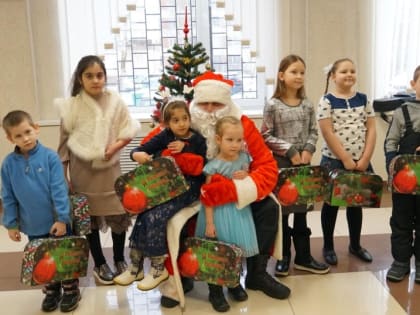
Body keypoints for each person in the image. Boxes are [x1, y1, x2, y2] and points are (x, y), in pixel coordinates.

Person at [160, 70, 291, 308]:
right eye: (204, 103)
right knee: (169, 214)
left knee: (269, 207)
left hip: (233, 187)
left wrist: (238, 186)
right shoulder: (183, 122)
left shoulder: (241, 125)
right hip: (192, 190)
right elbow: (157, 149)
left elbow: (267, 165)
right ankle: (181, 274)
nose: (210, 109)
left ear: (227, 103)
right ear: (195, 104)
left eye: (217, 103)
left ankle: (256, 273)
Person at [56, 55, 140, 285]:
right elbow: (63, 149)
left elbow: (128, 129)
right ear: (80, 79)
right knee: (89, 220)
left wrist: (115, 147)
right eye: (89, 75)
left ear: (105, 77)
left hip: (111, 172)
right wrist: (64, 178)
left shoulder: (115, 101)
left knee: (118, 216)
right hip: (83, 175)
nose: (95, 80)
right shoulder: (71, 107)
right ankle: (100, 262)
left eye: (99, 75)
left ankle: (119, 259)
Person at [114, 99, 206, 291]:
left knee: (158, 214)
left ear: (190, 119)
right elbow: (139, 149)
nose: (181, 124)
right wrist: (136, 155)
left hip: (189, 188)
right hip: (166, 185)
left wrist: (186, 148)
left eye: (184, 119)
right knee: (144, 212)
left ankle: (158, 267)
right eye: (175, 120)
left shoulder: (197, 139)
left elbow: (206, 160)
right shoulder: (166, 136)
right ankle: (135, 265)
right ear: (167, 124)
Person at [1, 110, 80, 312]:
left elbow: (59, 190)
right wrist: (11, 224)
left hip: (57, 222)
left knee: (63, 256)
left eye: (27, 131)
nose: (25, 138)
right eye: (18, 135)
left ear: (36, 128)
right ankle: (52, 290)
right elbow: (8, 196)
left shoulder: (50, 157)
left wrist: (62, 218)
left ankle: (71, 290)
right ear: (10, 138)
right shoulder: (8, 164)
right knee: (43, 259)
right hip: (32, 224)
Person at [261, 54, 330, 277]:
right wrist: (290, 151)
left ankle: (303, 257)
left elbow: (313, 131)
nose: (299, 76)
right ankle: (283, 258)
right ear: (281, 76)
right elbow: (266, 135)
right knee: (282, 213)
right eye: (294, 72)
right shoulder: (272, 105)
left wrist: (308, 150)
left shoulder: (308, 105)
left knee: (302, 213)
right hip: (281, 166)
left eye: (302, 72)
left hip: (304, 165)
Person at [195, 116, 259, 312]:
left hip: (238, 212)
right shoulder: (213, 166)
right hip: (218, 215)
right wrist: (210, 223)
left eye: (239, 140)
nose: (235, 144)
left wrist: (247, 175)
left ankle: (234, 283)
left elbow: (249, 182)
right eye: (230, 140)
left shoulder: (243, 159)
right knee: (218, 253)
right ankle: (215, 290)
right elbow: (207, 196)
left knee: (236, 250)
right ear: (218, 139)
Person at [317, 58, 376, 265]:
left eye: (352, 70)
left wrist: (365, 158)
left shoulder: (363, 99)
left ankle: (355, 245)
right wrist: (345, 158)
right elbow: (327, 132)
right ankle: (328, 246)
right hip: (335, 161)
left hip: (360, 162)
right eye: (343, 71)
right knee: (331, 205)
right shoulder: (326, 100)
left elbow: (371, 129)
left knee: (355, 204)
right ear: (333, 76)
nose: (349, 74)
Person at [384, 65, 420, 282]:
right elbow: (391, 143)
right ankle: (400, 262)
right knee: (400, 220)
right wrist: (393, 171)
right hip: (403, 181)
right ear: (413, 84)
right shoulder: (401, 111)